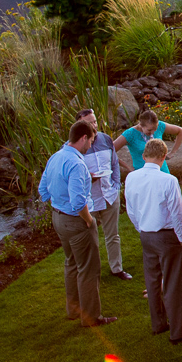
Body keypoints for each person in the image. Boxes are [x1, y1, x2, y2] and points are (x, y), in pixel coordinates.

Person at [40, 119, 115, 327]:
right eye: (91, 140)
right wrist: (89, 221)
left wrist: (59, 202)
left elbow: (43, 191)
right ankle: (91, 317)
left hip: (58, 218)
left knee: (71, 263)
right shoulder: (76, 163)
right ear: (83, 138)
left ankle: (73, 310)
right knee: (89, 269)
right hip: (77, 221)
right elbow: (78, 201)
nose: (91, 145)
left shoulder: (56, 157)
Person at [125, 138, 182, 343]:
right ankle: (179, 332)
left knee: (153, 281)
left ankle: (159, 324)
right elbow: (177, 213)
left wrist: (141, 228)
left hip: (146, 235)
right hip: (167, 235)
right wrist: (181, 238)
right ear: (164, 157)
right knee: (173, 283)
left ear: (144, 156)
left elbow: (130, 209)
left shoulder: (131, 178)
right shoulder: (168, 180)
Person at [76, 106, 131, 280]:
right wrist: (87, 178)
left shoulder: (106, 140)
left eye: (95, 121)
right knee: (88, 239)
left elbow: (114, 164)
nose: (94, 125)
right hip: (89, 200)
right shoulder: (74, 147)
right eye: (89, 123)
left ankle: (117, 269)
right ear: (79, 125)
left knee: (113, 235)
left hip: (109, 195)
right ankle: (90, 272)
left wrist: (116, 186)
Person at [116, 110, 182, 174]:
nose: (152, 132)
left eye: (155, 129)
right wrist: (128, 167)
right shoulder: (130, 134)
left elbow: (181, 131)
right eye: (149, 130)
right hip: (142, 173)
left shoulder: (160, 126)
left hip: (162, 171)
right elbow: (110, 150)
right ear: (141, 125)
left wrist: (172, 152)